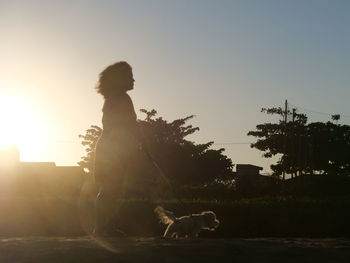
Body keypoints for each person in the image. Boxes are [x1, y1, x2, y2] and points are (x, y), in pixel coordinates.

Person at [93, 61, 146, 236]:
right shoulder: (120, 98)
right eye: (130, 76)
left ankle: (104, 227)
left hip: (109, 149)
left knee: (110, 189)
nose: (134, 80)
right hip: (113, 151)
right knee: (111, 189)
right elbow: (128, 124)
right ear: (120, 78)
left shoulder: (113, 98)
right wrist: (139, 141)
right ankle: (102, 228)